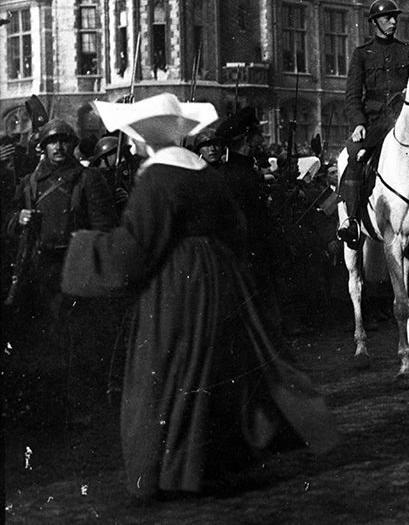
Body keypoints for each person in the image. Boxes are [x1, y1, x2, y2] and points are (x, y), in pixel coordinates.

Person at [60, 94, 339, 497]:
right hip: (222, 279)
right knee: (215, 371)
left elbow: (137, 248)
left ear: (146, 139)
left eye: (134, 137)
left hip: (176, 286)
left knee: (166, 373)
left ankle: (171, 471)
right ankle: (217, 464)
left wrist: (85, 247)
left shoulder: (155, 179)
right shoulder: (205, 174)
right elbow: (238, 229)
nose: (132, 144)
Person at [5, 118, 119, 425]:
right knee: (41, 340)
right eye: (52, 142)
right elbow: (8, 221)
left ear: (72, 144)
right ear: (42, 147)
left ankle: (78, 408)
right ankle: (45, 408)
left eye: (65, 140)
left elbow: (104, 228)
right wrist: (19, 217)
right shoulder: (30, 182)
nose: (59, 147)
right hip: (38, 272)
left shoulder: (88, 178)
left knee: (77, 342)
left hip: (75, 269)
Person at [337, 0, 409, 246]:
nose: (393, 22)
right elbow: (352, 96)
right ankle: (351, 221)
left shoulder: (407, 51)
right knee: (355, 158)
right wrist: (359, 123)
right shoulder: (361, 55)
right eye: (387, 18)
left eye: (395, 18)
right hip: (375, 125)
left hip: (405, 122)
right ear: (374, 23)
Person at [215, 106, 280, 332]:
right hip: (248, 262)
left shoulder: (232, 173)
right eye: (257, 135)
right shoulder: (239, 177)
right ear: (247, 140)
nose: (261, 140)